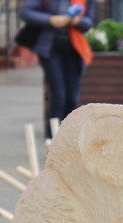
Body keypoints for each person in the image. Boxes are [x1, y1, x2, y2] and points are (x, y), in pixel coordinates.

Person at [20, 0, 95, 139]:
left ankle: (68, 139)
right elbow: (26, 12)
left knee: (72, 98)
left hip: (74, 51)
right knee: (58, 96)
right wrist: (50, 20)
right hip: (50, 50)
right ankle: (52, 138)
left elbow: (89, 22)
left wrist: (76, 22)